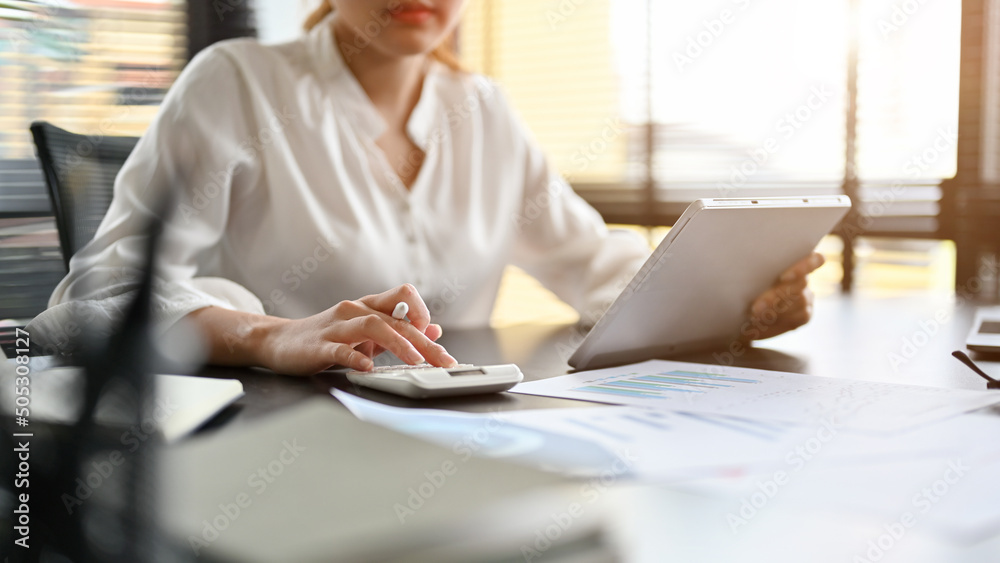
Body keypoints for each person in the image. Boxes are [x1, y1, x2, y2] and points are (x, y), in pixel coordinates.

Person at [28, 0, 823, 375]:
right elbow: (99, 291)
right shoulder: (235, 82)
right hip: (264, 445)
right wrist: (267, 333)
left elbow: (600, 270)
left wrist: (732, 298)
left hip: (458, 435)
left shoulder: (482, 111)